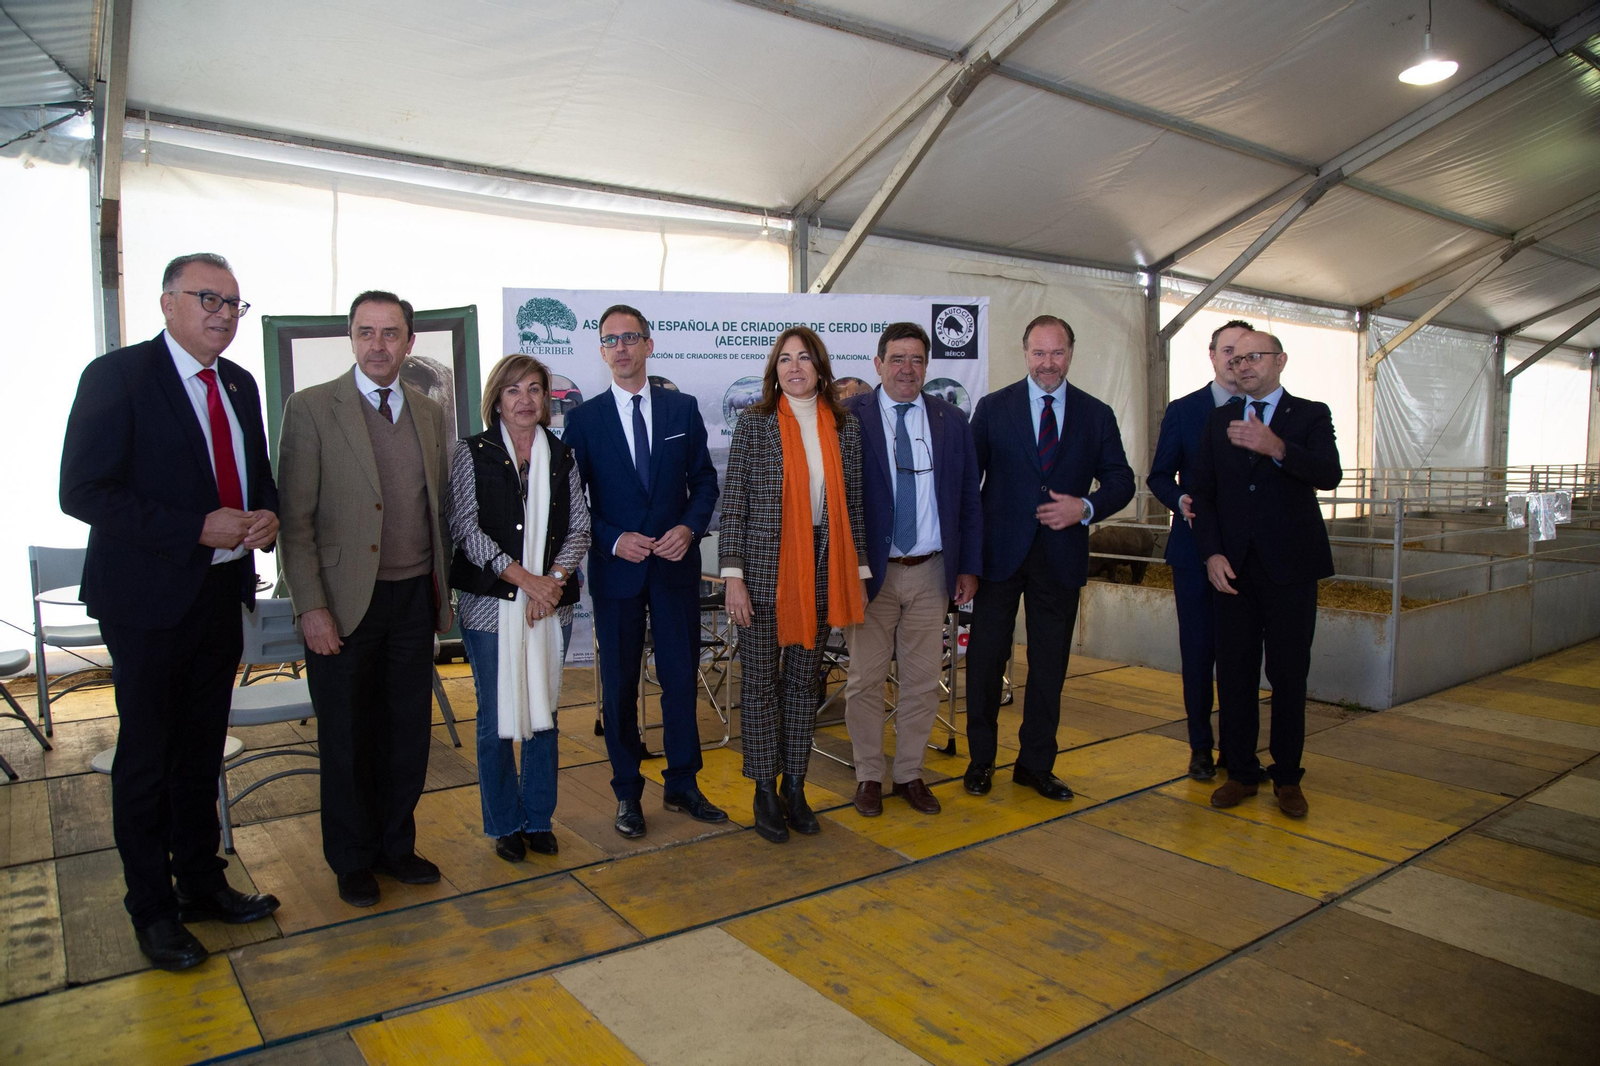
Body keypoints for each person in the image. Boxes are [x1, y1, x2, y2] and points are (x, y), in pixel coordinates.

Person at [59, 252, 281, 970]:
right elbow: (83, 491)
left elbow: (258, 477)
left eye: (234, 303)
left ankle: (203, 885)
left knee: (199, 754)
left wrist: (267, 515)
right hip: (146, 602)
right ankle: (151, 911)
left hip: (221, 596)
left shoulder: (241, 384)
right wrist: (195, 527)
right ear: (167, 303)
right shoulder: (118, 377)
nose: (222, 313)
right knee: (148, 761)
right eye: (207, 297)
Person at [278, 290, 454, 907]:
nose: (378, 345)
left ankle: (395, 847)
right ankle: (351, 858)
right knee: (347, 736)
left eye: (391, 334)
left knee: (407, 731)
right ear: (351, 339)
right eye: (366, 333)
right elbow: (295, 521)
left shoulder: (429, 414)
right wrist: (311, 606)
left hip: (413, 598)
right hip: (343, 603)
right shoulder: (310, 408)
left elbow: (438, 510)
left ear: (410, 343)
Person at [562, 304, 725, 838]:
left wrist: (689, 528)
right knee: (620, 686)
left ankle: (683, 784)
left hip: (676, 568)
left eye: (631, 337)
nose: (622, 348)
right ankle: (628, 792)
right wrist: (612, 539)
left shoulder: (682, 409)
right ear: (602, 351)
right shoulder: (584, 420)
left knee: (680, 678)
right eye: (611, 340)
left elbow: (704, 482)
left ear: (649, 344)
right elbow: (573, 502)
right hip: (618, 574)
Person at [962, 315, 1135, 800]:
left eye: (1057, 353)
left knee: (1049, 666)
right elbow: (967, 488)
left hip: (1060, 558)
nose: (1048, 363)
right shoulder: (995, 408)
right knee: (984, 660)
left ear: (1071, 354)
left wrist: (1085, 507)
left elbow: (1122, 479)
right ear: (1025, 354)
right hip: (998, 559)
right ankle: (981, 762)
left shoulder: (1096, 414)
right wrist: (967, 560)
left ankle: (1035, 766)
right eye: (1039, 353)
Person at [720, 327, 868, 842]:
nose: (794, 367)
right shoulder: (754, 425)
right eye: (785, 359)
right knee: (761, 682)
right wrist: (733, 578)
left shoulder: (844, 428)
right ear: (774, 370)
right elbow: (733, 502)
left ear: (820, 368)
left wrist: (860, 572)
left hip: (823, 571)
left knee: (804, 684)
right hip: (762, 575)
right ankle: (764, 787)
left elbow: (853, 506)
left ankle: (796, 787)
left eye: (804, 358)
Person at [1190, 330, 1342, 818]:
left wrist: (1276, 446)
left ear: (1280, 361)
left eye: (1255, 356)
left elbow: (1329, 474)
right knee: (1233, 673)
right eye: (1236, 358)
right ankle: (1240, 772)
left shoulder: (1311, 414)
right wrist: (1211, 554)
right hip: (1232, 570)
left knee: (1288, 674)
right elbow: (1203, 494)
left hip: (1291, 569)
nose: (1243, 364)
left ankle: (1288, 777)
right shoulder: (1219, 421)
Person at [448, 354, 590, 862]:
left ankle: (538, 818)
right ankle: (504, 823)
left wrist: (550, 583)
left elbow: (580, 529)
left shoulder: (563, 454)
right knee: (495, 717)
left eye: (534, 389)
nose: (525, 399)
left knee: (545, 712)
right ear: (497, 399)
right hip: (491, 606)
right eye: (513, 390)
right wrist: (526, 581)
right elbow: (466, 528)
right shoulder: (471, 452)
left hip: (550, 602)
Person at [840, 323, 981, 817]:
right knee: (864, 681)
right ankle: (868, 774)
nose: (907, 368)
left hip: (931, 570)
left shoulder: (951, 420)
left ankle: (910, 774)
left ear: (927, 367)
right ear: (877, 364)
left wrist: (968, 567)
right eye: (897, 358)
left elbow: (968, 497)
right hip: (868, 574)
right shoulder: (847, 418)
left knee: (923, 680)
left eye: (917, 360)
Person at [1147, 319, 1252, 780]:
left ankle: (1238, 751)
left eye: (1244, 352)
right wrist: (1179, 500)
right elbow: (1157, 476)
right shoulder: (1184, 410)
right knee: (1198, 653)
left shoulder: (1264, 412)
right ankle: (1200, 749)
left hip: (1248, 554)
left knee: (1242, 654)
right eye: (1227, 350)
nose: (1235, 359)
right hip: (1192, 552)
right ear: (1212, 356)